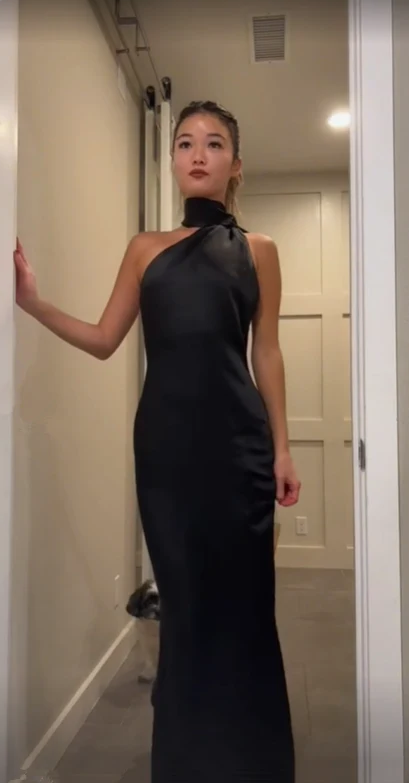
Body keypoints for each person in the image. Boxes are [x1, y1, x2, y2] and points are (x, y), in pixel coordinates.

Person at [14, 99, 301, 783]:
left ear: (235, 164)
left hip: (240, 448)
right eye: (185, 142)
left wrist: (283, 447)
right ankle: (187, 761)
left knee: (244, 607)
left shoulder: (259, 251)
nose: (198, 153)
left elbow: (266, 353)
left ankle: (253, 761)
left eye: (214, 143)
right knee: (186, 605)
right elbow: (103, 339)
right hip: (167, 452)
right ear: (172, 159)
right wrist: (33, 303)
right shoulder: (144, 248)